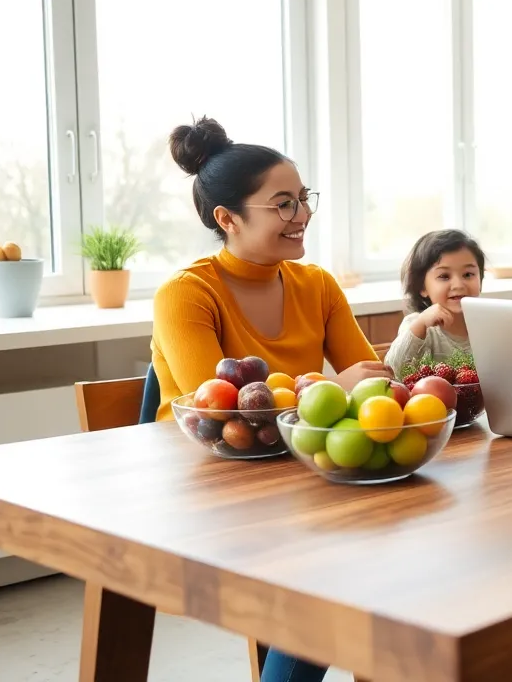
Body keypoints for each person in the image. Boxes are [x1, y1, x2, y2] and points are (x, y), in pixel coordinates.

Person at [151, 116, 390, 682]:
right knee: (340, 578)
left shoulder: (318, 284)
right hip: (208, 488)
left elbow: (365, 374)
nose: (301, 215)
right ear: (227, 219)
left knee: (389, 553)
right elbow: (217, 412)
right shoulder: (186, 292)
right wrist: (335, 392)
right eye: (282, 204)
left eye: (303, 198)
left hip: (294, 470)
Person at [384, 229, 484, 376]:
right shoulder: (417, 325)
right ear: (422, 287)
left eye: (468, 274)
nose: (458, 285)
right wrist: (420, 325)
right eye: (444, 276)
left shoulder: (488, 325)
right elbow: (393, 370)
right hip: (431, 399)